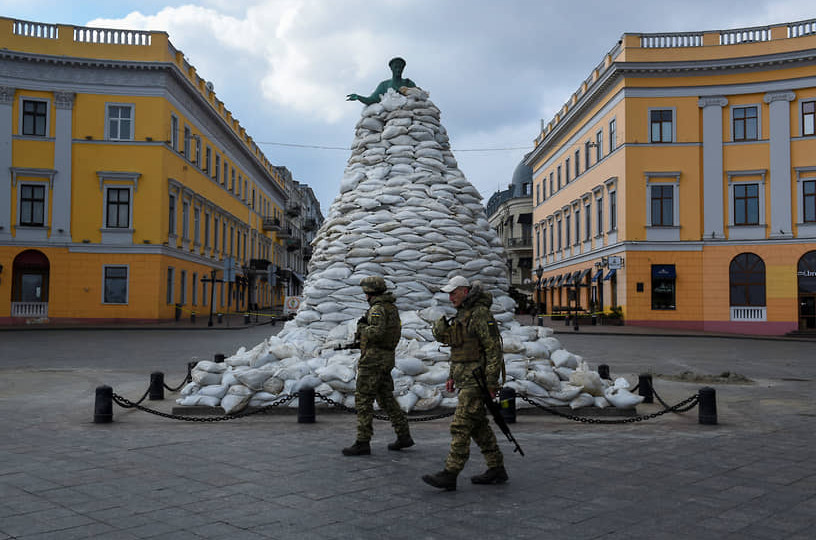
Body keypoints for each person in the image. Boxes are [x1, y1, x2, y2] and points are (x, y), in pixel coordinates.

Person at [422, 275, 507, 490]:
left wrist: (491, 383)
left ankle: (450, 473)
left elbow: (493, 349)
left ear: (465, 291)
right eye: (449, 293)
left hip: (477, 382)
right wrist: (452, 376)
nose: (450, 297)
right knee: (478, 427)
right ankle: (496, 468)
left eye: (453, 292)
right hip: (465, 378)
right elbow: (459, 349)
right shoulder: (463, 315)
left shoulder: (480, 314)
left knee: (460, 425)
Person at [342, 276, 414, 456]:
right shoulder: (391, 308)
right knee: (385, 398)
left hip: (373, 359)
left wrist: (361, 328)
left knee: (363, 399)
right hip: (386, 357)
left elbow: (377, 332)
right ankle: (403, 435)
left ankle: (362, 441)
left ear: (369, 292)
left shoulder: (377, 309)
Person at [346, 57, 417, 105]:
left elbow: (418, 97)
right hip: (389, 117)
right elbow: (372, 100)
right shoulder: (384, 85)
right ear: (391, 68)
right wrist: (358, 97)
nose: (398, 70)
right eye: (396, 67)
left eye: (400, 67)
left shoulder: (408, 83)